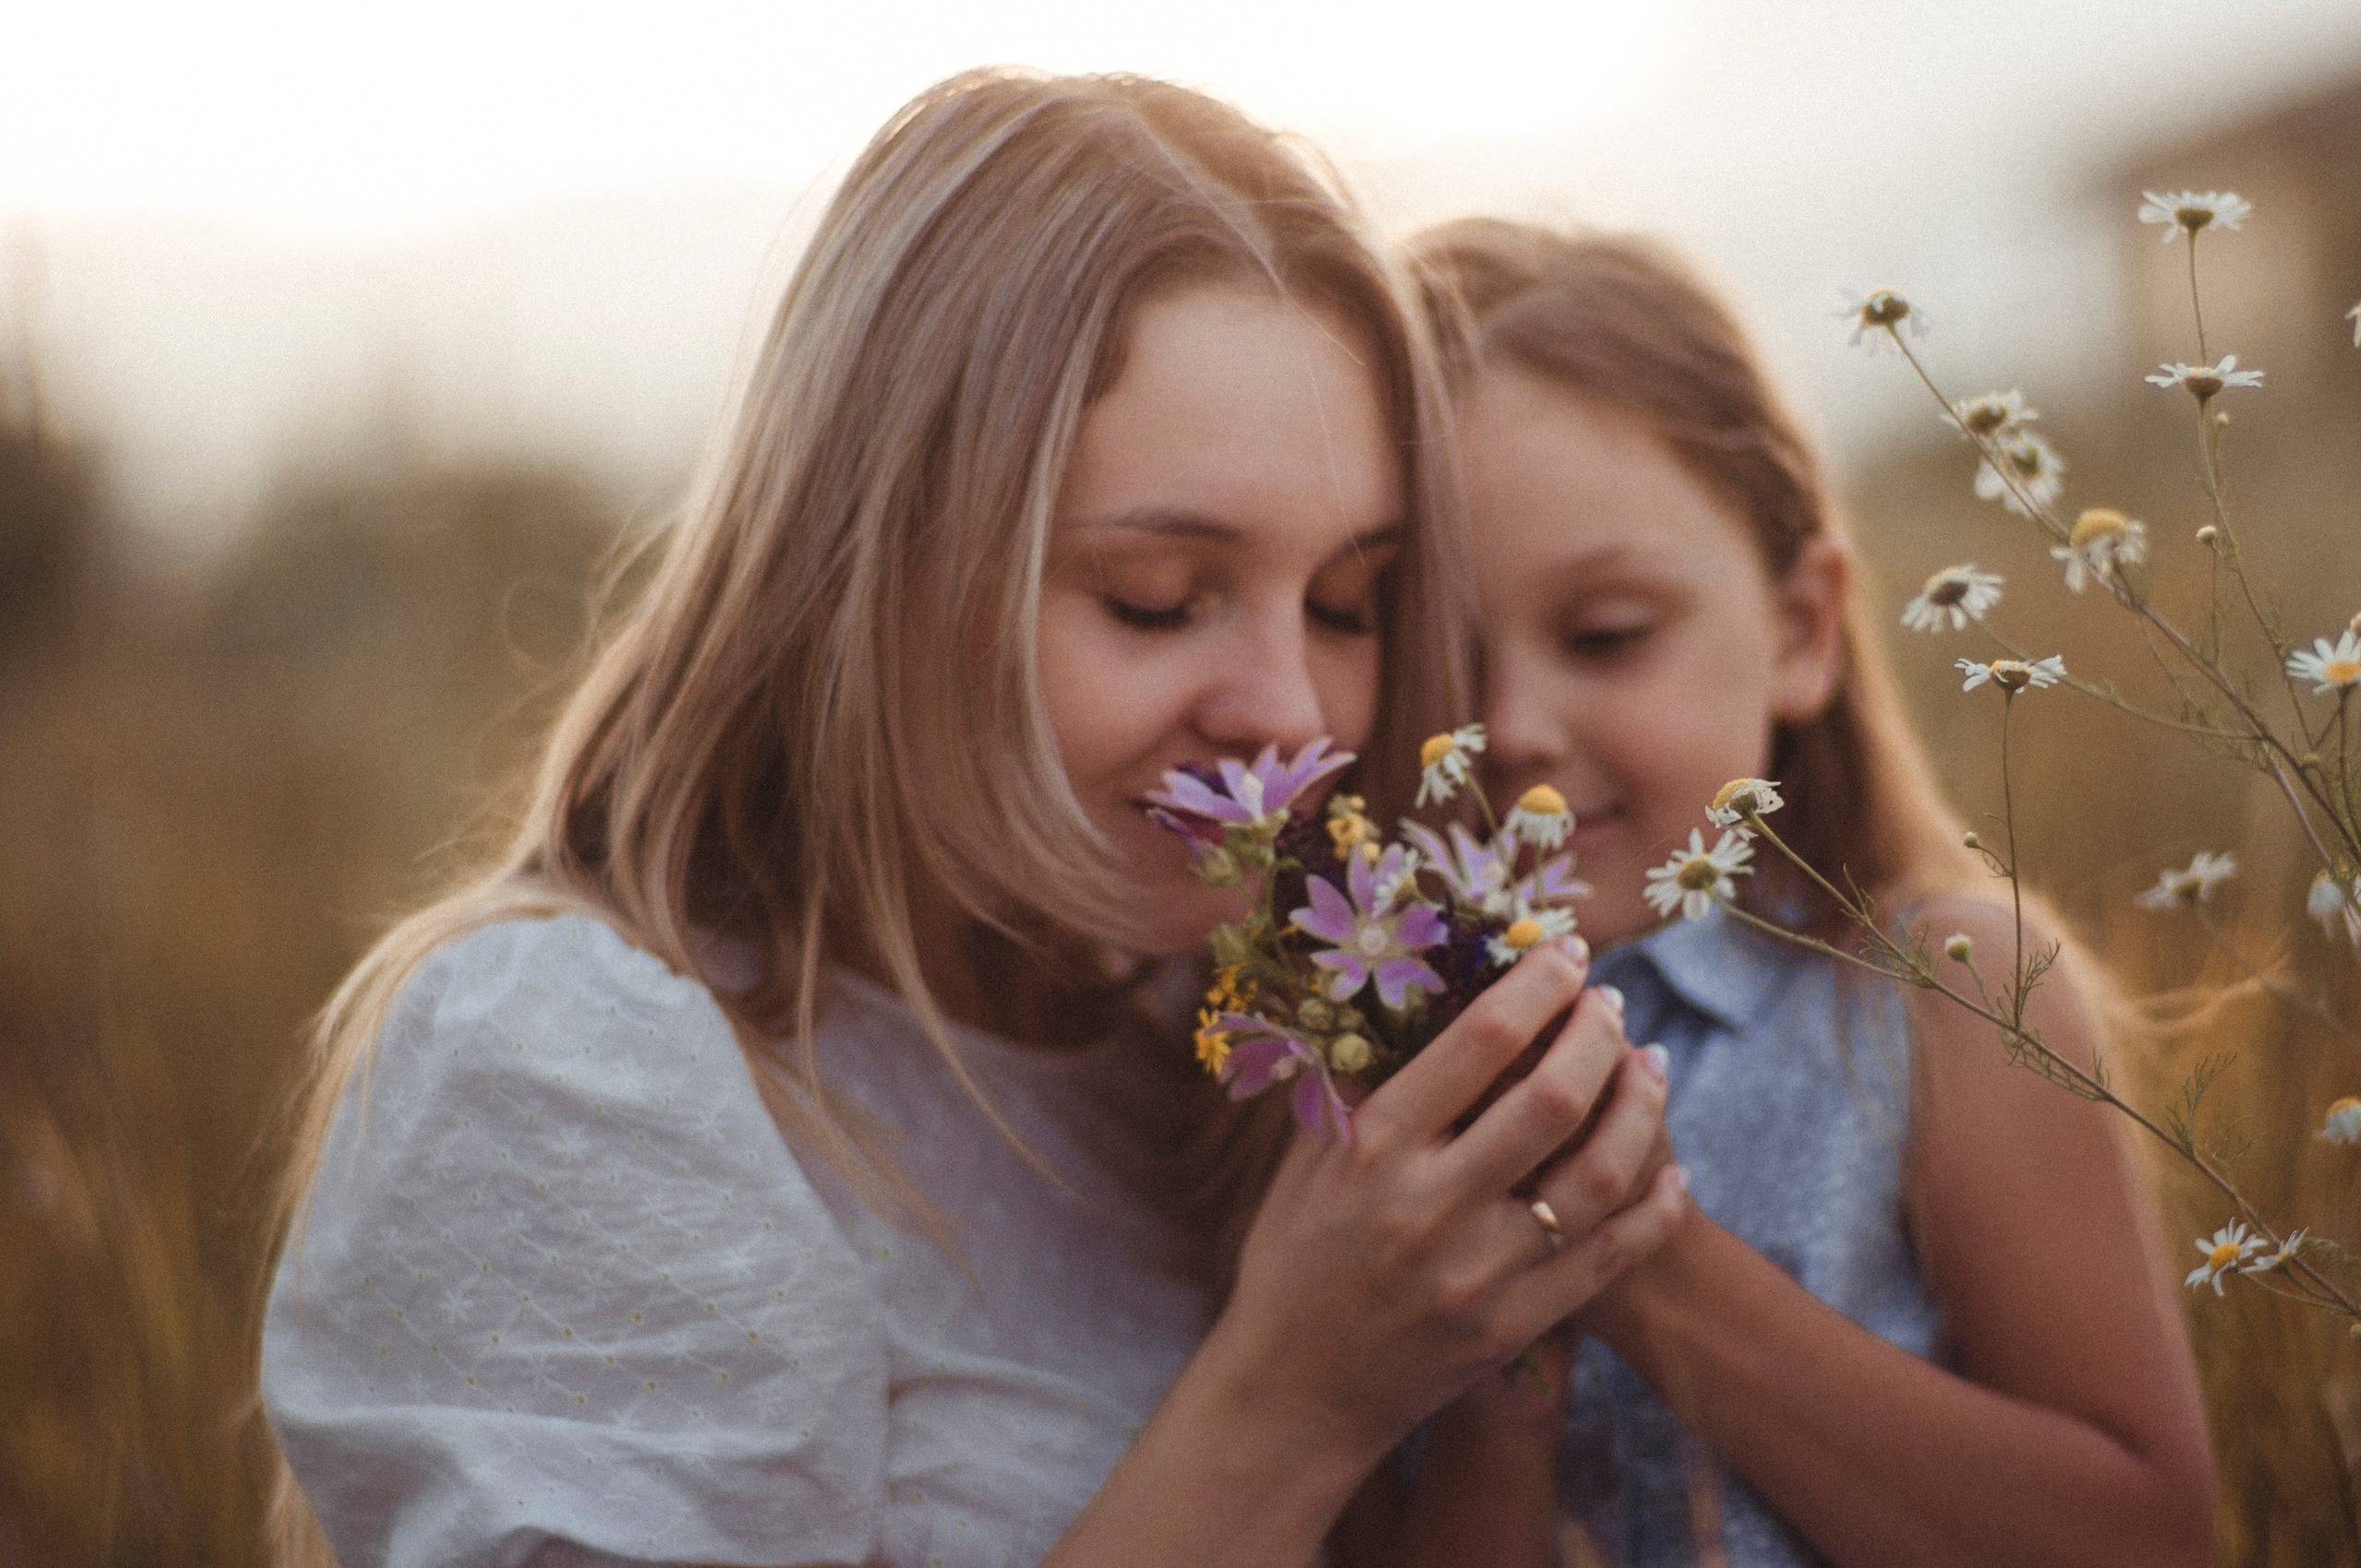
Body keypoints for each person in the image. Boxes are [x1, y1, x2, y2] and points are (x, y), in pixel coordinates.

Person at [258, 75, 1692, 1568]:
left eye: (1347, 602)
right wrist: (1296, 1400)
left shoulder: (1219, 1050)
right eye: (1155, 599)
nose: (1290, 711)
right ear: (872, 567)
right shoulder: (575, 1062)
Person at [1396, 220, 2215, 1568]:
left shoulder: (1943, 997)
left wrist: (1633, 1249)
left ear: (1801, 630)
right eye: (1428, 653)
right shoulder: (1338, 1077)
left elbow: (2150, 1537)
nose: (1512, 726)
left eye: (1607, 635)